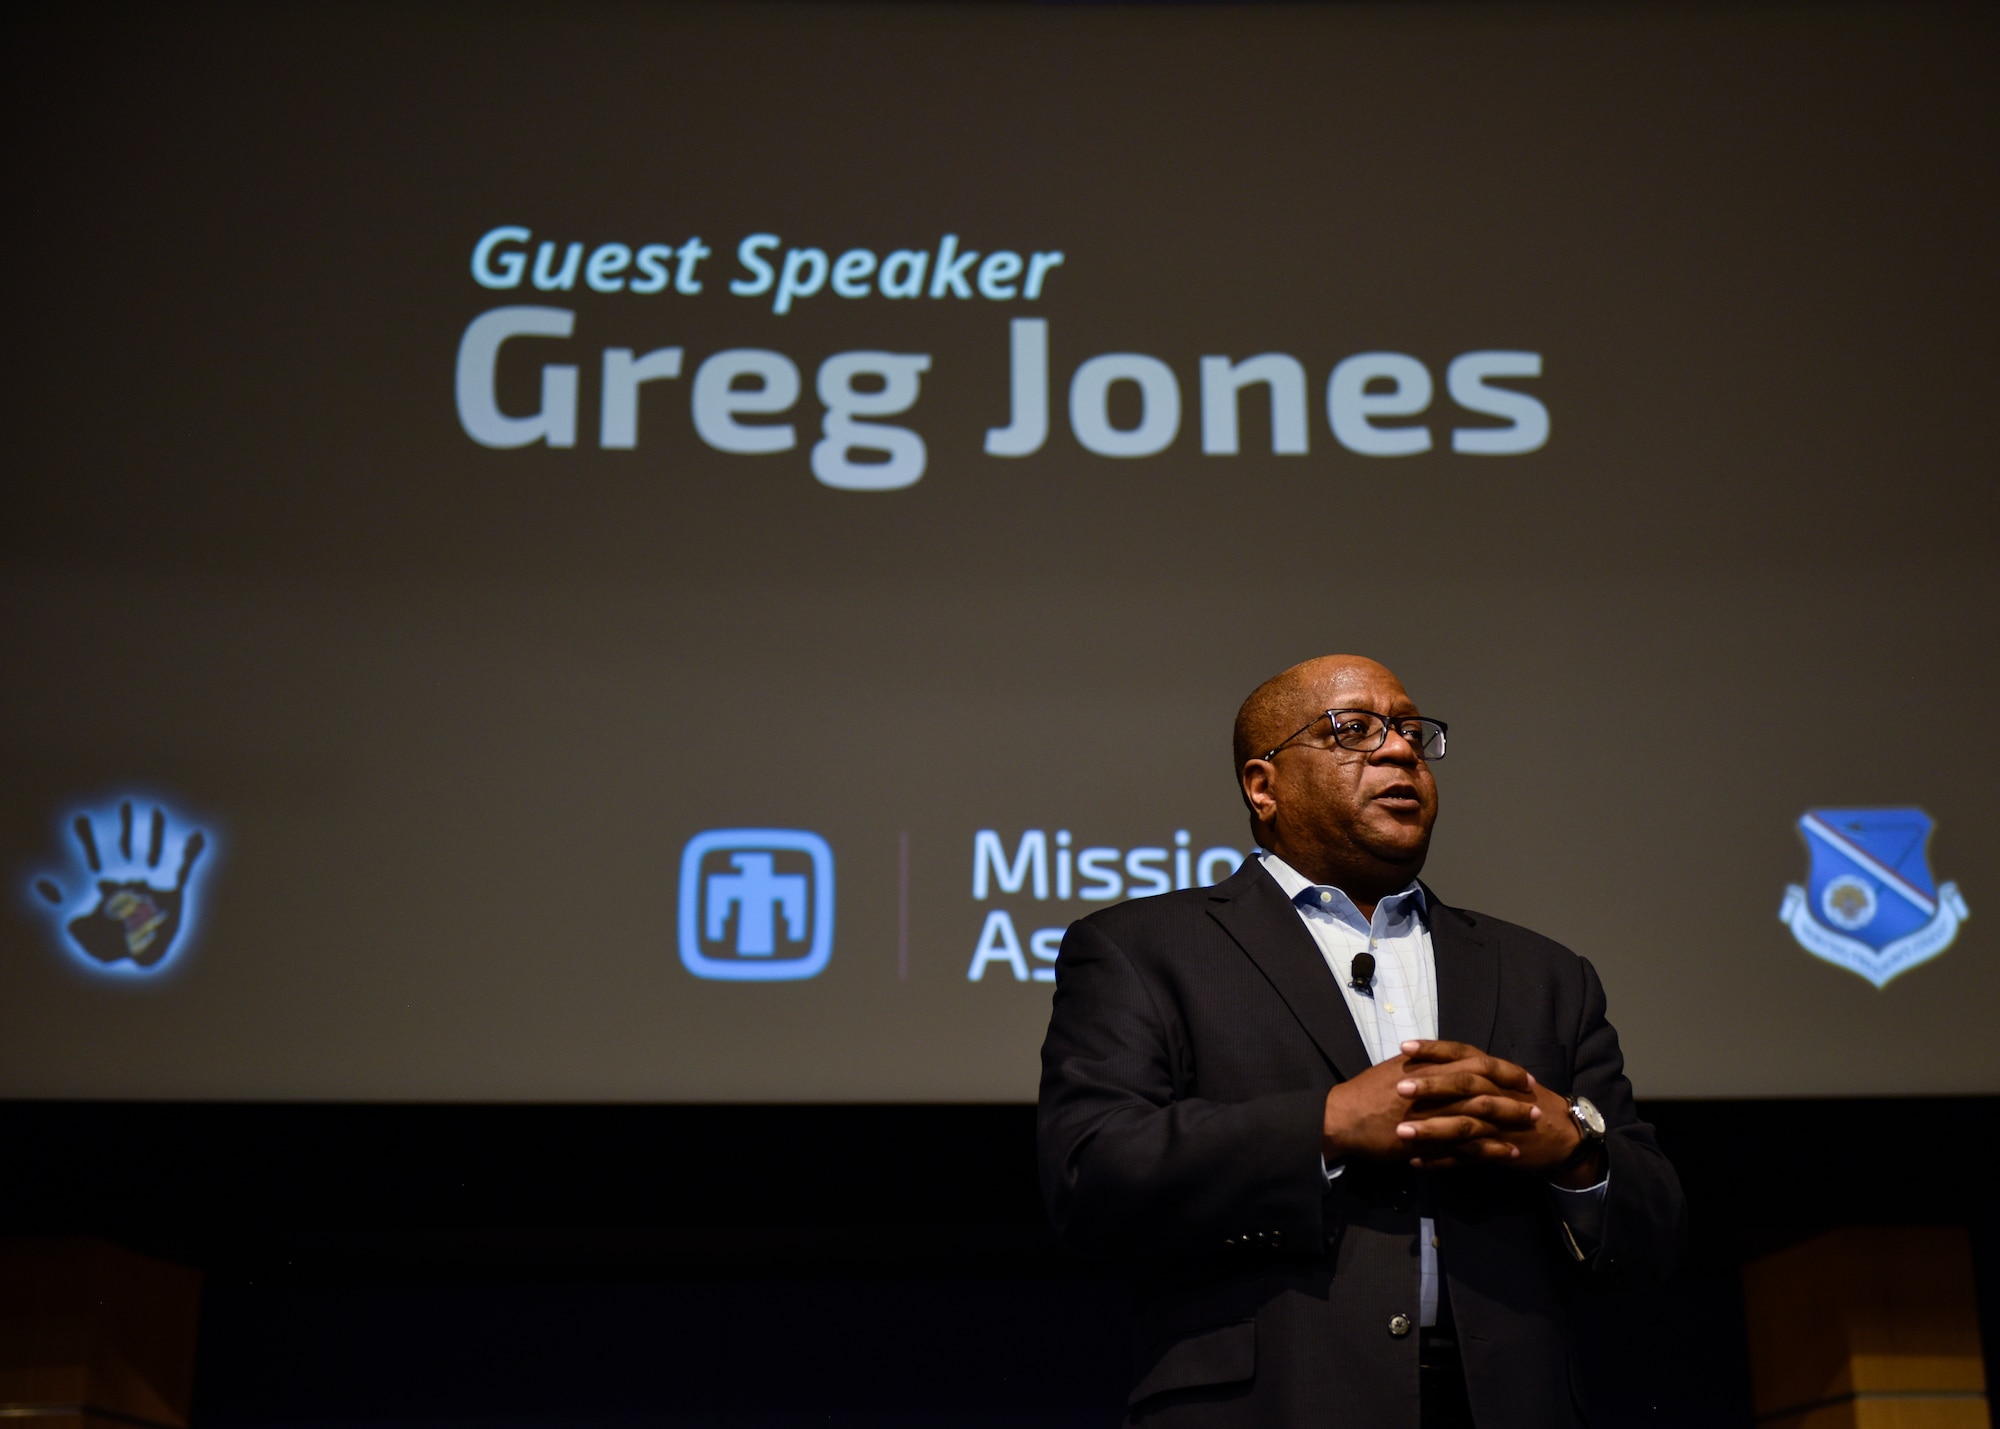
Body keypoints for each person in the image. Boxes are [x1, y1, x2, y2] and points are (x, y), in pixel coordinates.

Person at [1036, 655, 1686, 1428]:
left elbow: (1656, 1232)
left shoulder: (1546, 972)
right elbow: (1093, 1176)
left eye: (1412, 730)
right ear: (1262, 785)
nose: (1399, 750)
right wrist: (1327, 1123)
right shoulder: (1143, 948)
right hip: (1274, 1403)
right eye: (1352, 731)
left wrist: (1570, 1148)